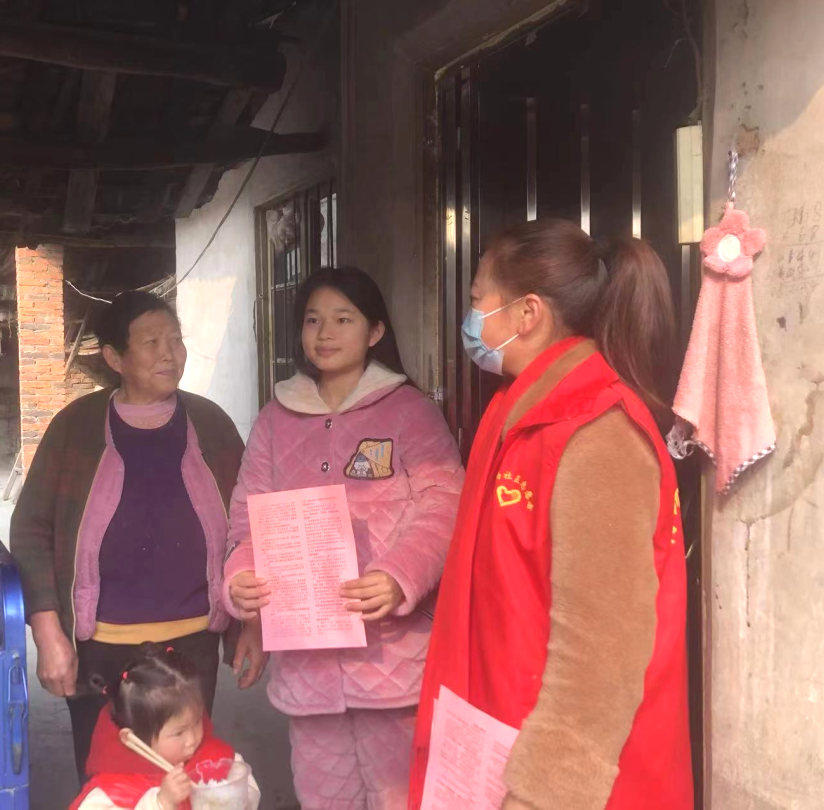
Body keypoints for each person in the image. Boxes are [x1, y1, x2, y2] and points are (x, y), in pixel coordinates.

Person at [408, 219, 693, 810]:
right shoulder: (518, 411)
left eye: (478, 298)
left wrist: (543, 794)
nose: (471, 317)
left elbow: (601, 653)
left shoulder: (597, 432)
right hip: (500, 743)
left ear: (527, 313)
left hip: (569, 788)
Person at [224, 267, 464, 809]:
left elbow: (445, 502)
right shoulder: (275, 419)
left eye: (342, 319)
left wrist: (400, 576)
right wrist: (240, 578)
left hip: (392, 659)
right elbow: (247, 512)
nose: (325, 333)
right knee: (323, 798)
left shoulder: (410, 412)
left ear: (375, 331)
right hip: (307, 664)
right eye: (313, 320)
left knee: (402, 798)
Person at [10, 291, 266, 779]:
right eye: (151, 342)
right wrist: (47, 633)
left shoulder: (210, 424)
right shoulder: (75, 427)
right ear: (115, 358)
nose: (169, 353)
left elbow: (249, 522)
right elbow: (30, 529)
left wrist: (253, 625)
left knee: (184, 776)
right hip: (101, 648)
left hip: (192, 645)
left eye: (175, 340)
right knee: (109, 783)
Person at [71, 644, 260, 810]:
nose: (192, 739)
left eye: (197, 722)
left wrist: (236, 799)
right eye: (179, 732)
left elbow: (247, 788)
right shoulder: (112, 791)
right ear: (132, 738)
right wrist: (161, 803)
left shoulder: (215, 759)